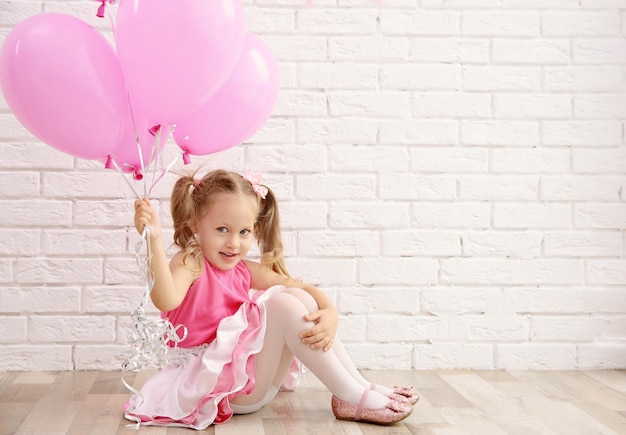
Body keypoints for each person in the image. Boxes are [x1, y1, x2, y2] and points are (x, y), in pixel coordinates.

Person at [124, 169, 418, 429]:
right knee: (281, 304)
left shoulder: (243, 270)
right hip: (211, 388)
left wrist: (330, 311)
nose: (234, 243)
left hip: (253, 384)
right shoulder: (191, 262)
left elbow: (299, 286)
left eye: (244, 232)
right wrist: (153, 241)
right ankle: (350, 394)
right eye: (221, 230)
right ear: (194, 225)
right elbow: (165, 300)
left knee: (295, 294)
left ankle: (356, 386)